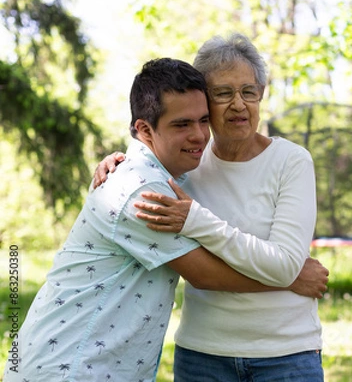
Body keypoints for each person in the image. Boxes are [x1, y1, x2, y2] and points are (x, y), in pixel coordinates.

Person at [4, 58, 327, 382]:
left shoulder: (172, 172)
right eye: (182, 124)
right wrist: (291, 277)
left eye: (202, 120)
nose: (199, 135)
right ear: (144, 130)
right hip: (72, 365)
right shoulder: (143, 192)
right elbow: (205, 275)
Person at [93, 33, 326, 381]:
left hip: (286, 355)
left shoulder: (291, 161)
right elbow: (144, 164)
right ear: (203, 102)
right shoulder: (187, 162)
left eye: (249, 92)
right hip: (204, 355)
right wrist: (115, 163)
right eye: (223, 93)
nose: (239, 104)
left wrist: (196, 220)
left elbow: (284, 264)